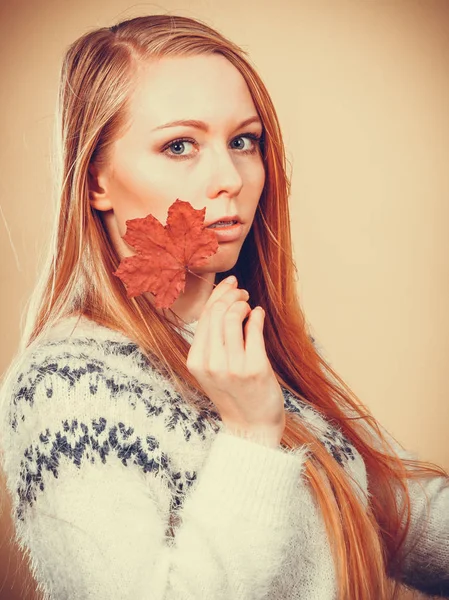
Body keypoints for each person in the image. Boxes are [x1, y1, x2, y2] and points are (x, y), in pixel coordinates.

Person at [0, 14, 448, 600]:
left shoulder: (251, 333)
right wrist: (251, 435)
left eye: (243, 141)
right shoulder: (66, 386)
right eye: (179, 145)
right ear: (95, 182)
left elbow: (400, 510)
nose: (229, 177)